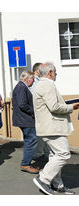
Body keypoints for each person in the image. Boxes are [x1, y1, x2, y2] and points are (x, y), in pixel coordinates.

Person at [32, 62, 79, 195]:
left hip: (49, 127)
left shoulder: (42, 85)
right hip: (52, 127)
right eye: (55, 71)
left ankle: (57, 185)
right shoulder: (47, 85)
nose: (56, 73)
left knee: (55, 156)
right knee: (63, 154)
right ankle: (43, 179)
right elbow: (54, 107)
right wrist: (71, 107)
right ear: (50, 73)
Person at [12, 71, 39, 174]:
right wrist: (34, 112)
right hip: (25, 119)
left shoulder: (21, 86)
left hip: (24, 119)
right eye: (32, 78)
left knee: (29, 140)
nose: (33, 81)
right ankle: (26, 164)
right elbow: (22, 104)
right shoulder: (21, 87)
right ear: (27, 78)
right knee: (31, 140)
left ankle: (26, 163)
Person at [31, 62, 49, 161]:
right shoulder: (34, 81)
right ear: (38, 71)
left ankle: (46, 153)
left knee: (45, 134)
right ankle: (37, 154)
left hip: (43, 112)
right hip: (38, 112)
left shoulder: (40, 81)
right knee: (40, 135)